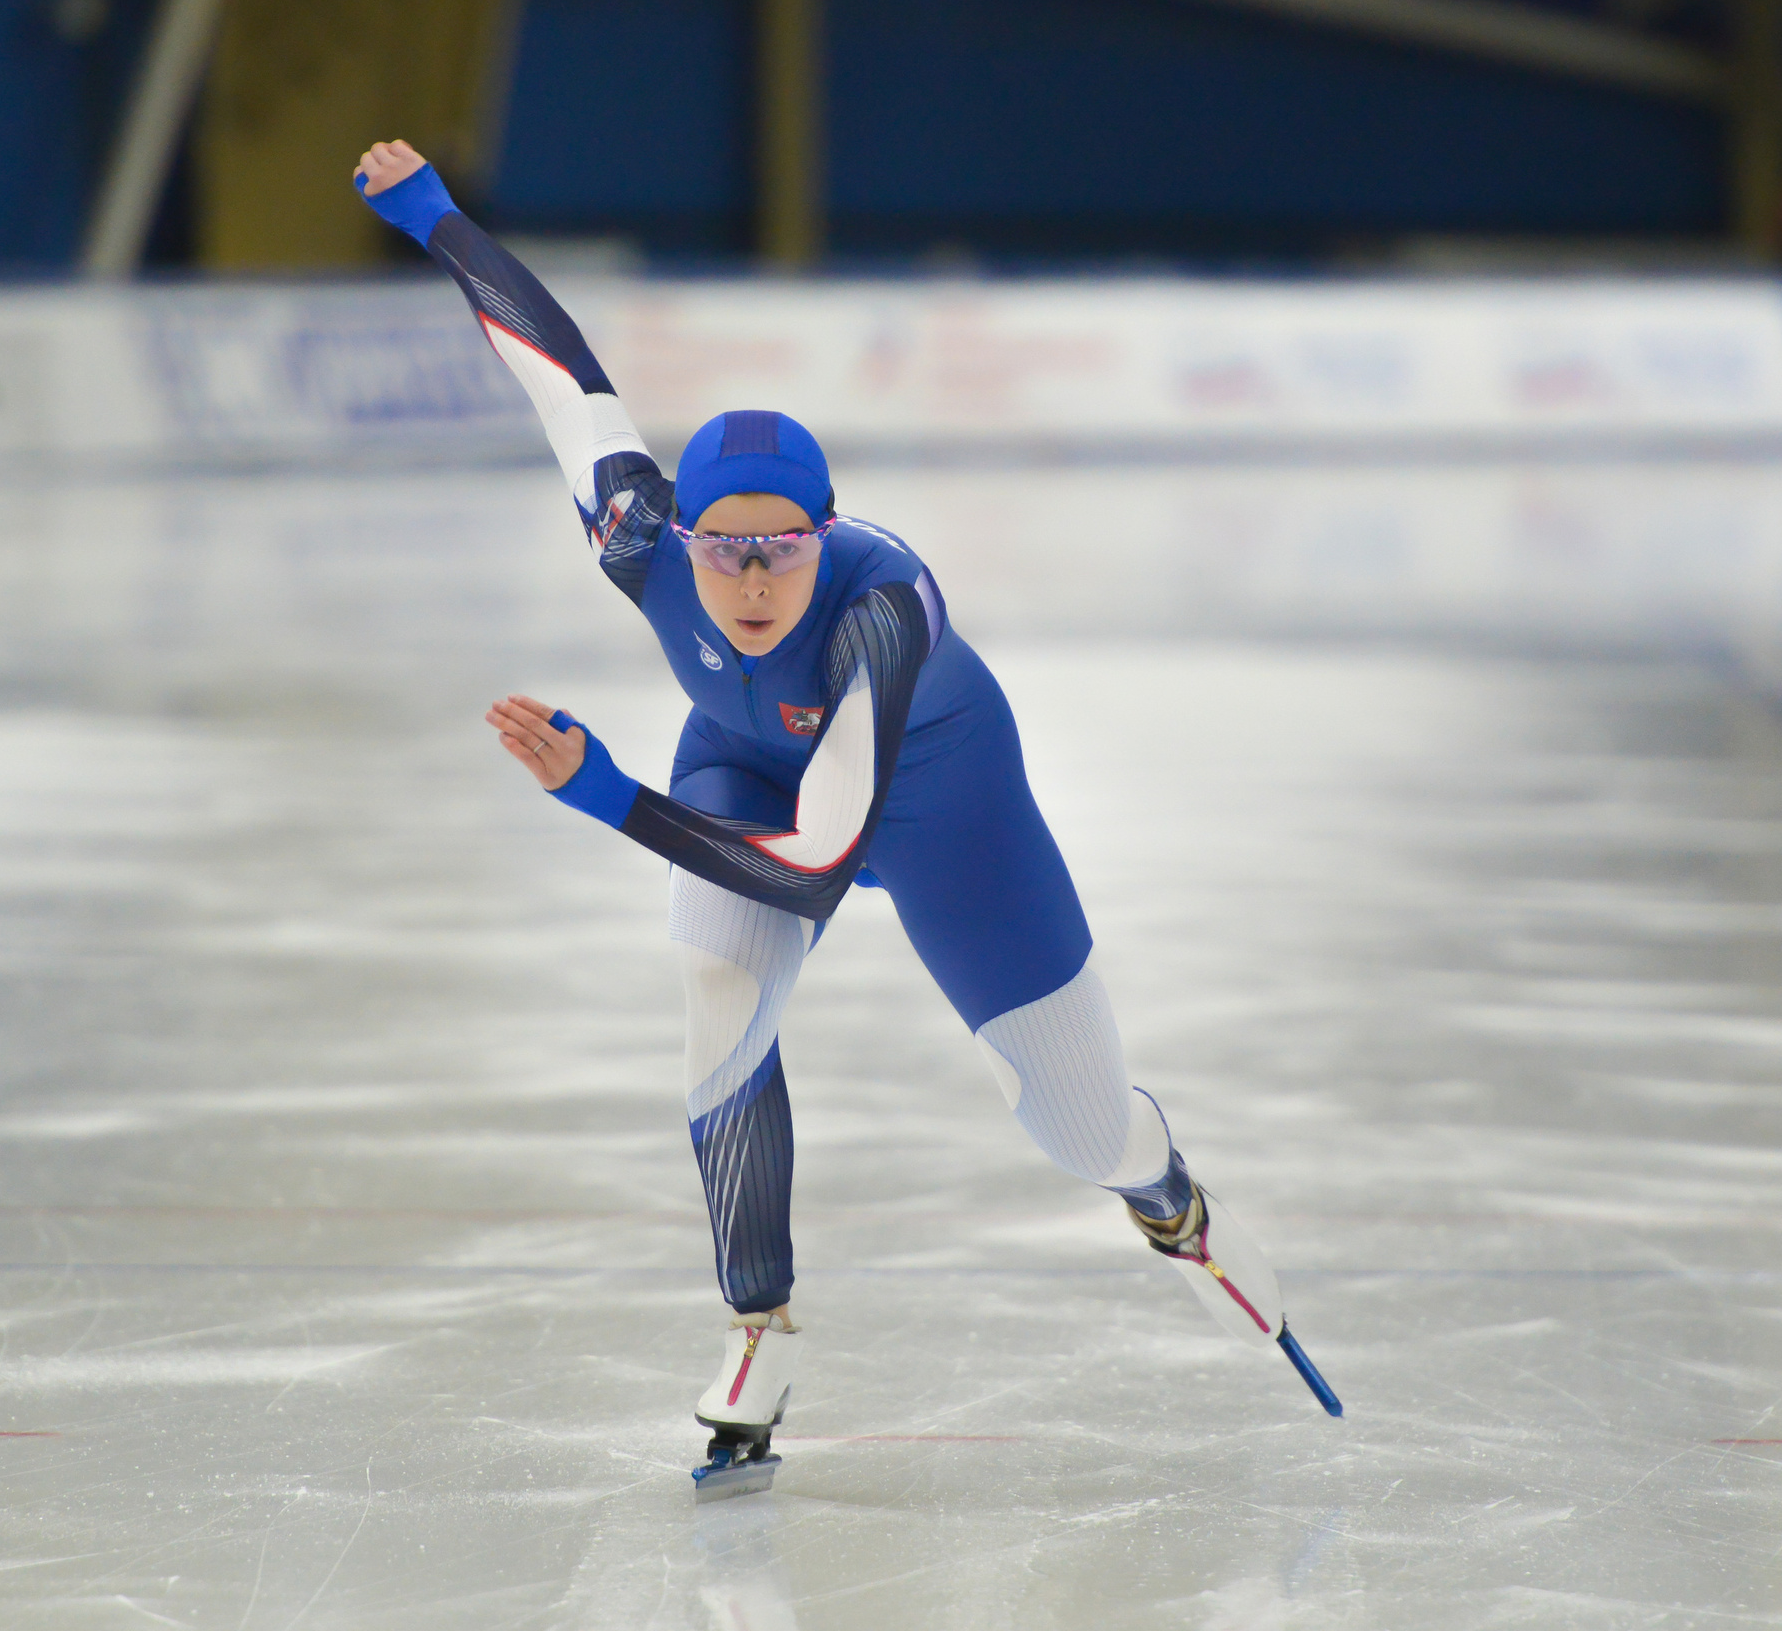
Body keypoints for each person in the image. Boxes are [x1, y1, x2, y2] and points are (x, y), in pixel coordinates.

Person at [352, 141, 1333, 1496]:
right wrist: (438, 220)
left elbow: (819, 866)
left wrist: (604, 792)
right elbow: (561, 375)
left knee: (1080, 1127)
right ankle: (759, 1325)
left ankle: (1171, 1198)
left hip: (941, 801)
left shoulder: (883, 611)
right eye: (723, 550)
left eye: (784, 550)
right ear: (675, 535)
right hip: (748, 768)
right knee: (715, 982)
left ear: (828, 535)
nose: (751, 581)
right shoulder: (637, 537)